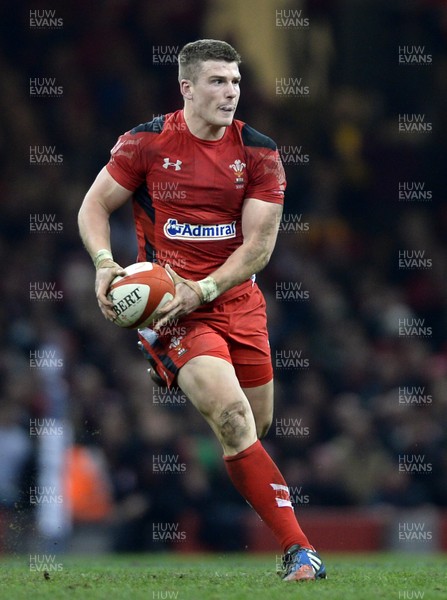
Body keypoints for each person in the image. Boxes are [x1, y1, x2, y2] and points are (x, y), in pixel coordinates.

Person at [78, 39, 326, 582]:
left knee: (252, 427)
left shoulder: (259, 153)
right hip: (171, 307)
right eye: (217, 81)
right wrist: (103, 262)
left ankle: (182, 387)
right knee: (233, 419)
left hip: (235, 299)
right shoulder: (145, 143)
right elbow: (94, 204)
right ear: (186, 88)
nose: (230, 92)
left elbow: (258, 249)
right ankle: (300, 552)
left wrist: (207, 288)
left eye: (235, 82)